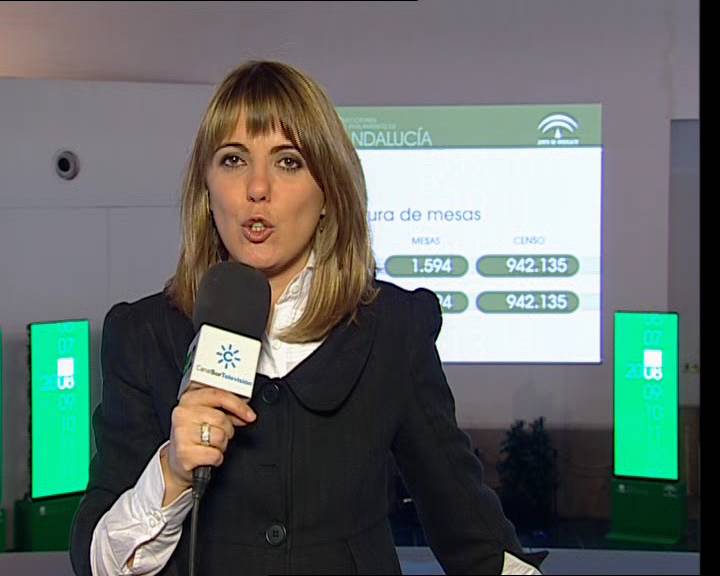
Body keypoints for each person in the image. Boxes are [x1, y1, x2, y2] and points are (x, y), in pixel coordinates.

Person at [70, 60, 545, 575]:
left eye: (288, 162)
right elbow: (98, 562)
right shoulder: (142, 336)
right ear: (206, 190)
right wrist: (172, 473)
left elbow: (471, 534)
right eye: (233, 159)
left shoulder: (393, 328)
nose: (257, 187)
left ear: (327, 194)